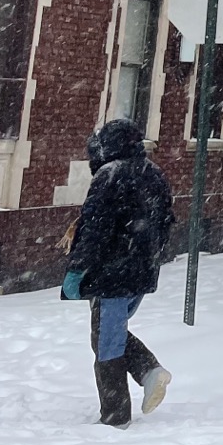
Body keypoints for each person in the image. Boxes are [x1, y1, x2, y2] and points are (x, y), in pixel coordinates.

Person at [63, 118, 175, 427]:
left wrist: (76, 269)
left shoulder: (109, 176)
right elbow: (165, 224)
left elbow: (93, 228)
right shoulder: (155, 174)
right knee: (109, 333)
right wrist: (148, 260)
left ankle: (115, 415)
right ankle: (149, 372)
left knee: (106, 341)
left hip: (111, 274)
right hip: (141, 273)